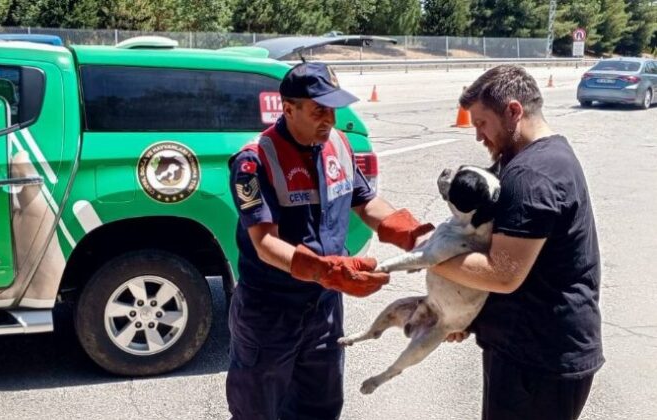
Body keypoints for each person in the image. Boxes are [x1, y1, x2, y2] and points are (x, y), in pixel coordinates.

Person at [226, 62, 433, 420]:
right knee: (257, 410)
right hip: (270, 310)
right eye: (318, 110)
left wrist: (414, 235)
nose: (330, 120)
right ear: (288, 109)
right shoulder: (255, 160)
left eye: (333, 108)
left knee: (320, 407)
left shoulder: (338, 145)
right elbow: (264, 243)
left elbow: (365, 201)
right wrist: (326, 270)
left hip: (323, 308)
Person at [431, 65, 604, 420]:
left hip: (539, 361)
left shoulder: (532, 175)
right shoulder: (539, 157)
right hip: (531, 349)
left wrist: (429, 257)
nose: (478, 136)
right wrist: (473, 319)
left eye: (482, 123)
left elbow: (502, 273)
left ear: (513, 111)